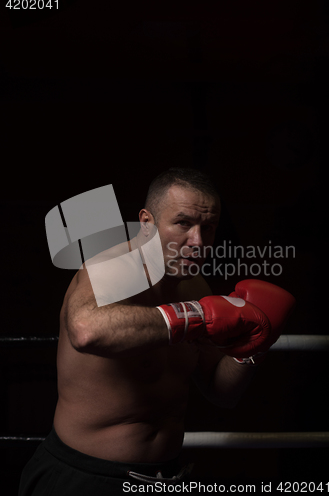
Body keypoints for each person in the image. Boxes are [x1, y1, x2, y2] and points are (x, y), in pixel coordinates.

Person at [19, 167, 295, 495]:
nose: (198, 242)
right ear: (147, 222)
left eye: (208, 228)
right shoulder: (110, 267)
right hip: (86, 477)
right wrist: (196, 314)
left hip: (164, 478)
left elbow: (220, 391)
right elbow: (85, 330)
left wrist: (253, 348)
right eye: (183, 223)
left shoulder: (193, 285)